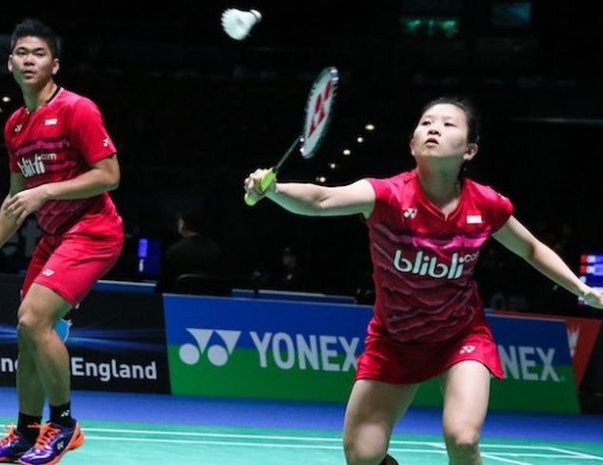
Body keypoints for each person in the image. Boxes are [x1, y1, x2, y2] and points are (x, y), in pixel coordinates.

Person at [244, 97, 603, 465]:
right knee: (362, 456)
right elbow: (322, 199)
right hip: (394, 340)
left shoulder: (486, 205)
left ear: (469, 150)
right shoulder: (388, 196)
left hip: (459, 336)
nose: (434, 128)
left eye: (449, 125)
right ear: (413, 144)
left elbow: (530, 249)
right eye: (427, 123)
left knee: (462, 439)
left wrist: (583, 288)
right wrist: (275, 190)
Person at [0, 19, 123, 465]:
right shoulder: (14, 126)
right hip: (55, 237)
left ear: (55, 64)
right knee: (26, 333)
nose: (29, 60)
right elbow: (15, 201)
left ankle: (65, 426)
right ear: (10, 62)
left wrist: (46, 190)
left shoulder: (77, 109)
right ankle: (27, 431)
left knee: (35, 320)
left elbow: (109, 175)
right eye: (21, 53)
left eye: (39, 54)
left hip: (93, 232)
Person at [156, 209, 223, 293]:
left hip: (178, 304)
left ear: (182, 224)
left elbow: (163, 287)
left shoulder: (174, 252)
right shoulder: (216, 251)